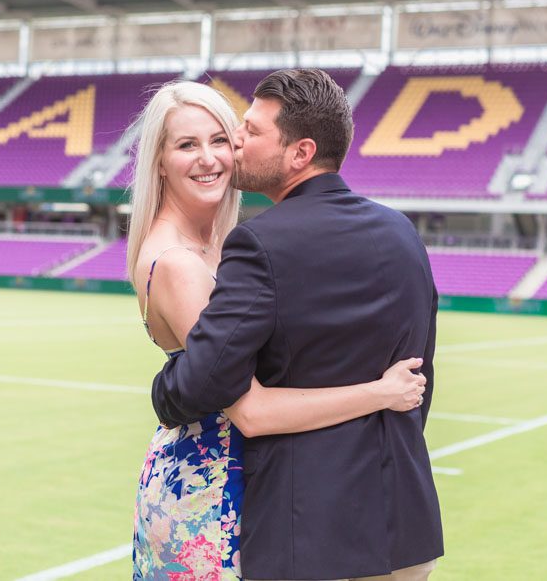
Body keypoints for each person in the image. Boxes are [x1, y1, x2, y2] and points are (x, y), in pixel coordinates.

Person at [128, 81, 429, 580]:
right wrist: (381, 391)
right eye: (187, 145)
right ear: (159, 161)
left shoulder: (228, 244)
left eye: (220, 139)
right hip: (208, 486)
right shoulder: (180, 262)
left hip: (250, 481)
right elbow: (251, 409)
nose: (210, 158)